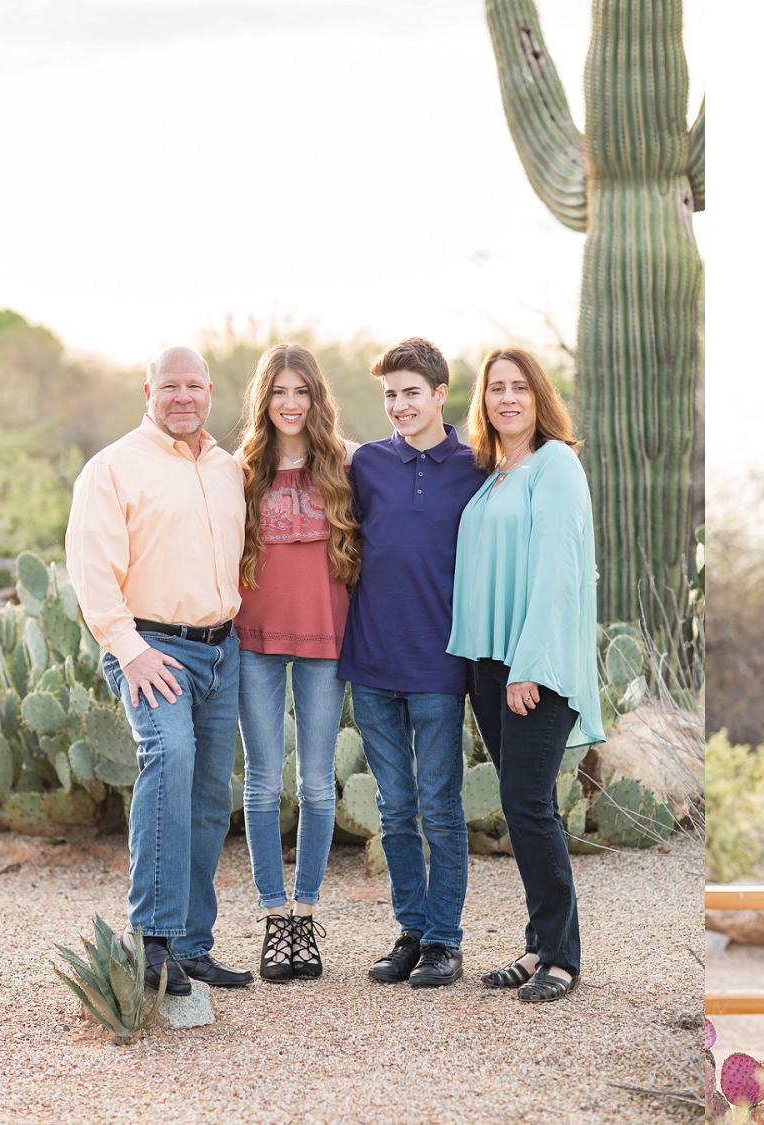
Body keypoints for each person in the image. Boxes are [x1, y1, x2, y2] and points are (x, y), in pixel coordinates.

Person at [65, 344, 254, 994]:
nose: (182, 396)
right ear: (148, 390)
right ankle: (153, 941)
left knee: (207, 798)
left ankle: (193, 946)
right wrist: (129, 646)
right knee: (167, 759)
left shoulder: (229, 469)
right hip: (149, 647)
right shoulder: (113, 467)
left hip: (220, 649)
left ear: (209, 393)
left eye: (193, 386)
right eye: (169, 385)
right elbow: (91, 568)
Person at [448, 347, 604, 1004]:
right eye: (495, 388)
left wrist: (529, 666)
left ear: (540, 395)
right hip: (488, 665)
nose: (506, 398)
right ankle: (539, 942)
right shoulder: (498, 474)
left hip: (534, 668)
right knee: (523, 807)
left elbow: (556, 572)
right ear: (483, 401)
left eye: (519, 387)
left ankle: (561, 958)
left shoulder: (555, 465)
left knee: (528, 805)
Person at [338, 337, 486, 988]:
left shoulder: (475, 464)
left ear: (440, 394)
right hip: (372, 660)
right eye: (390, 394)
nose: (398, 404)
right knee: (395, 808)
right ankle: (410, 930)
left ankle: (444, 942)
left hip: (438, 663)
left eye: (410, 393)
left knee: (440, 804)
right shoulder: (366, 464)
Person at [233, 344, 360, 982]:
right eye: (279, 393)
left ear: (316, 398)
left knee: (315, 781)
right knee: (261, 782)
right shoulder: (242, 468)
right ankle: (271, 916)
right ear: (265, 400)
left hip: (325, 641)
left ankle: (305, 915)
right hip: (252, 638)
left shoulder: (345, 464)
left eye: (301, 392)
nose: (290, 404)